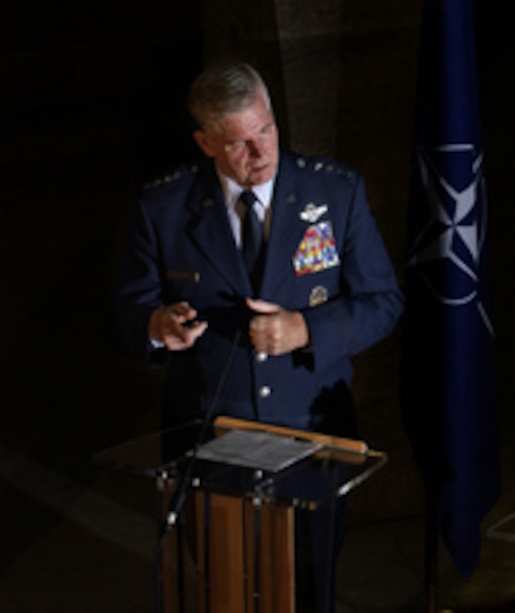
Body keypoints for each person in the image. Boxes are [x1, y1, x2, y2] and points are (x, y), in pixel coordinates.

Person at [113, 60, 404, 612]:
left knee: (309, 589)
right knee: (225, 589)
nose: (261, 152)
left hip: (312, 437)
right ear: (205, 142)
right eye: (241, 143)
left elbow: (383, 302)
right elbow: (126, 313)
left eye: (266, 129)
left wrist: (306, 329)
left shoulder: (334, 191)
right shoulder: (164, 208)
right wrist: (155, 327)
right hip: (209, 442)